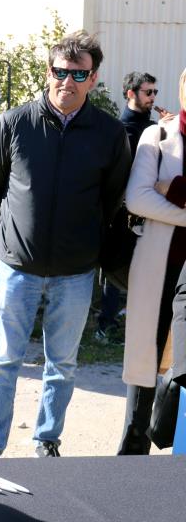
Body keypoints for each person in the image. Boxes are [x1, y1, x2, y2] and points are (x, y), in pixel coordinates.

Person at [0, 32, 131, 459]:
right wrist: (11, 234)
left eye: (78, 73)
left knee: (61, 365)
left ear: (93, 78)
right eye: (60, 71)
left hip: (76, 272)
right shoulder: (14, 123)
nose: (68, 81)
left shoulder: (109, 133)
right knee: (4, 361)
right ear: (49, 72)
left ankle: (46, 439)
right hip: (19, 268)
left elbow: (113, 197)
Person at [118, 67, 186, 455]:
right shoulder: (157, 135)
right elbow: (138, 199)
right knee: (146, 360)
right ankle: (132, 453)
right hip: (161, 266)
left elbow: (156, 197)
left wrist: (174, 189)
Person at [96, 71, 162, 340]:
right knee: (117, 266)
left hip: (149, 211)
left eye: (155, 92)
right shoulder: (121, 130)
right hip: (124, 212)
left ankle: (130, 323)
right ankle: (106, 324)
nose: (153, 97)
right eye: (148, 92)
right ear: (130, 93)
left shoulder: (155, 127)